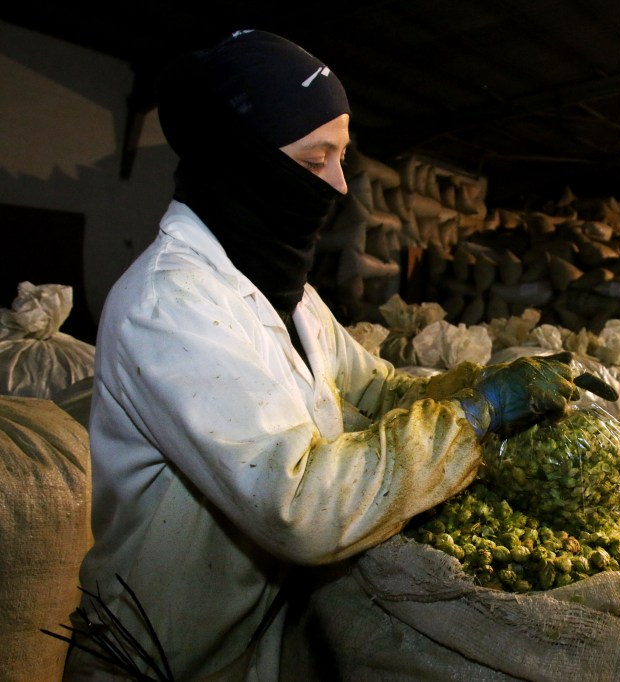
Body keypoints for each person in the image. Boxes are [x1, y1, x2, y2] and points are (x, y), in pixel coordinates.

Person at [64, 29, 585, 681]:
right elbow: (301, 506)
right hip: (165, 660)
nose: (338, 186)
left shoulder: (289, 295)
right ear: (242, 160)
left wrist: (475, 384)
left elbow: (377, 387)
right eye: (316, 163)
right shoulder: (170, 305)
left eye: (342, 157)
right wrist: (475, 416)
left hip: (257, 640)